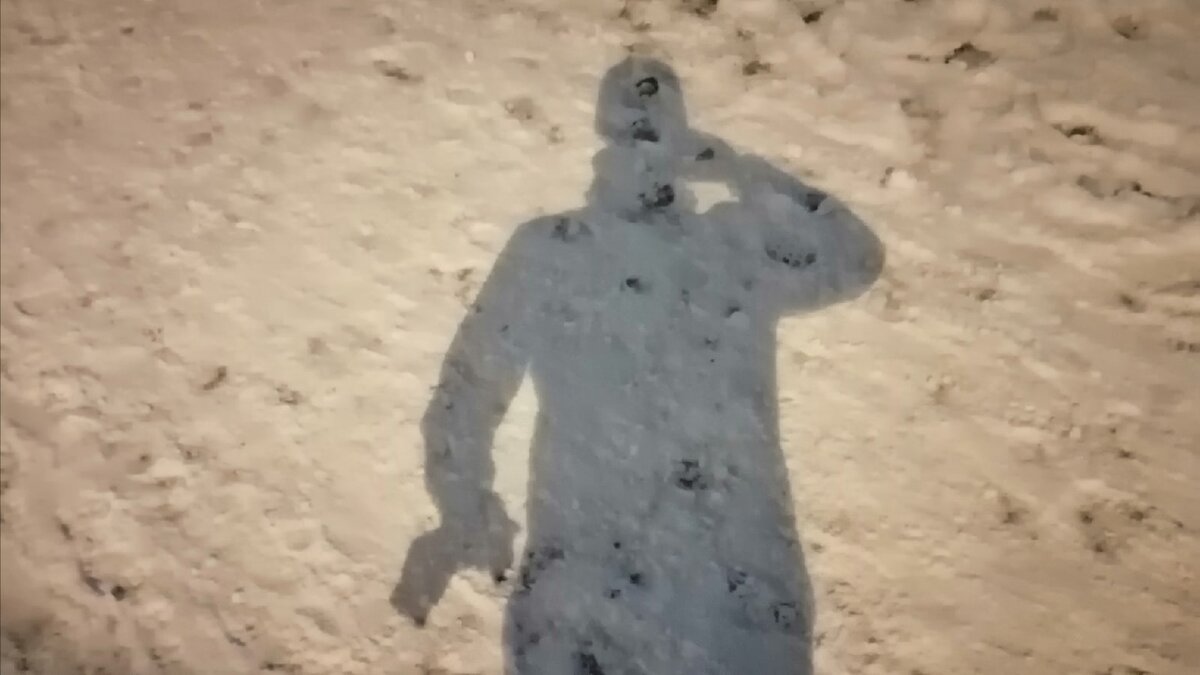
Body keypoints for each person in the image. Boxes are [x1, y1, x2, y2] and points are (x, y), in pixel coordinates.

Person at [394, 55, 884, 675]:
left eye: (657, 128)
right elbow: (469, 386)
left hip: (733, 592)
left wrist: (741, 170)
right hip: (591, 588)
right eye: (629, 127)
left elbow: (855, 258)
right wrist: (464, 503)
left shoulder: (733, 244)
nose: (642, 143)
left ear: (683, 136)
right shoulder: (553, 250)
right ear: (605, 132)